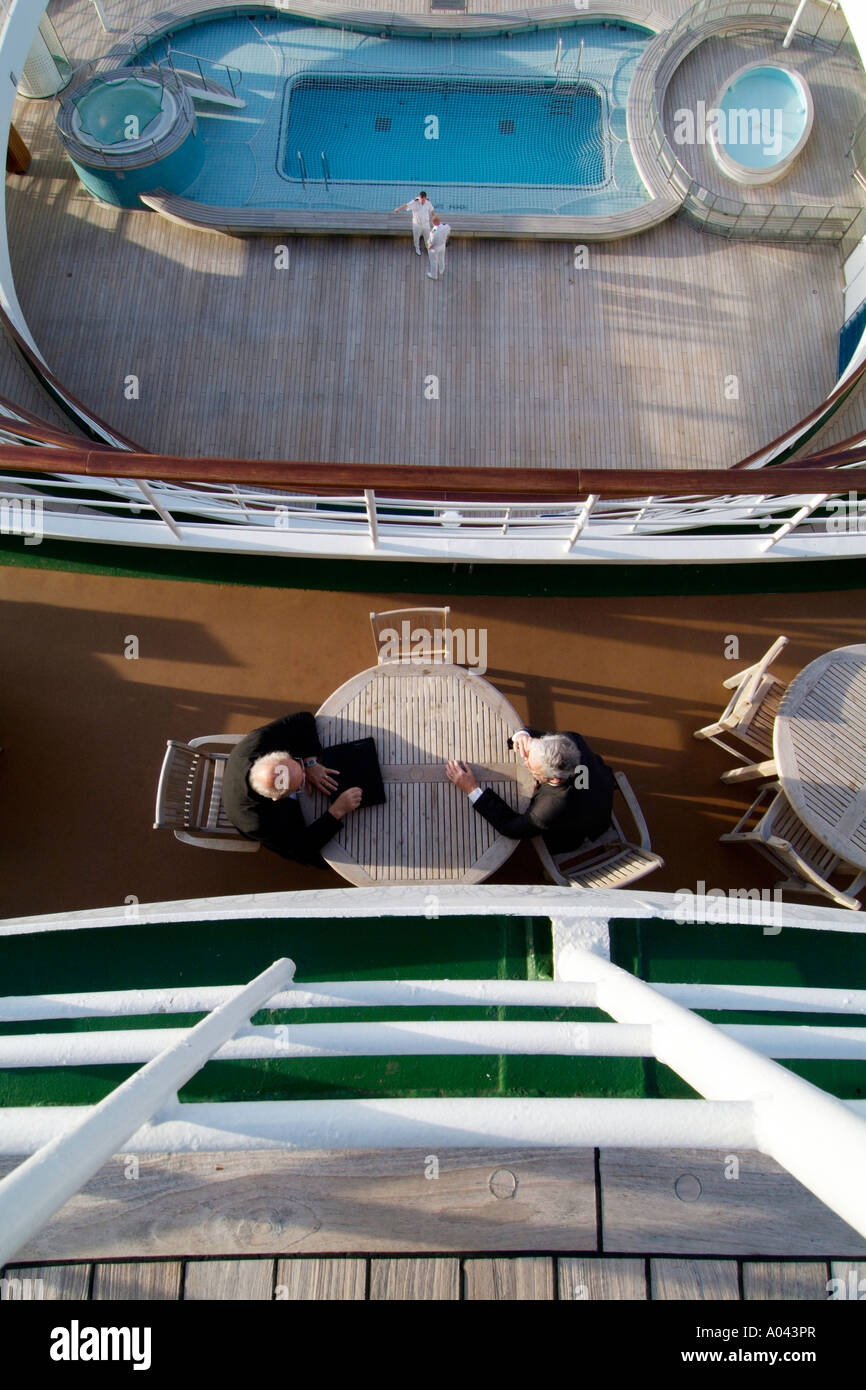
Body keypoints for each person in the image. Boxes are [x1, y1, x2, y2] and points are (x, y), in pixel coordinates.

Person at [445, 727, 615, 852]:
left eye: (532, 769)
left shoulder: (548, 809)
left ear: (554, 779)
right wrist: (523, 735)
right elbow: (541, 737)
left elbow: (511, 827)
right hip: (599, 788)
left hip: (576, 829)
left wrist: (471, 788)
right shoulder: (571, 741)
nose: (525, 762)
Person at [222, 711, 361, 864]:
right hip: (282, 830)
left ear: (275, 756)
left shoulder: (257, 743)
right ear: (278, 798)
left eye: (298, 765)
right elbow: (302, 846)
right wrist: (337, 811)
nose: (305, 775)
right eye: (299, 785)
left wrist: (310, 764)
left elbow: (304, 718)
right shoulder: (258, 822)